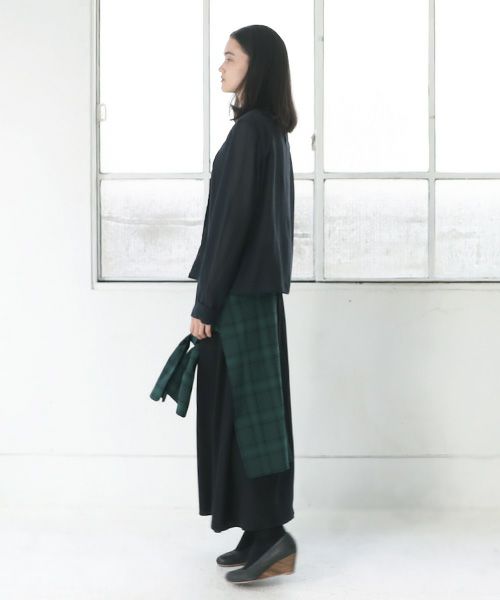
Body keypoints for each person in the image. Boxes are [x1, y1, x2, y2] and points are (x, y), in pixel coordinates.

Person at [188, 24, 298, 584]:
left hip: (238, 299)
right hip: (255, 296)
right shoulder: (267, 131)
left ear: (258, 66)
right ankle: (258, 532)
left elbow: (230, 228)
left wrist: (206, 303)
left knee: (246, 419)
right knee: (250, 417)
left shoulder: (252, 133)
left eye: (231, 57)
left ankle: (273, 535)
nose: (222, 65)